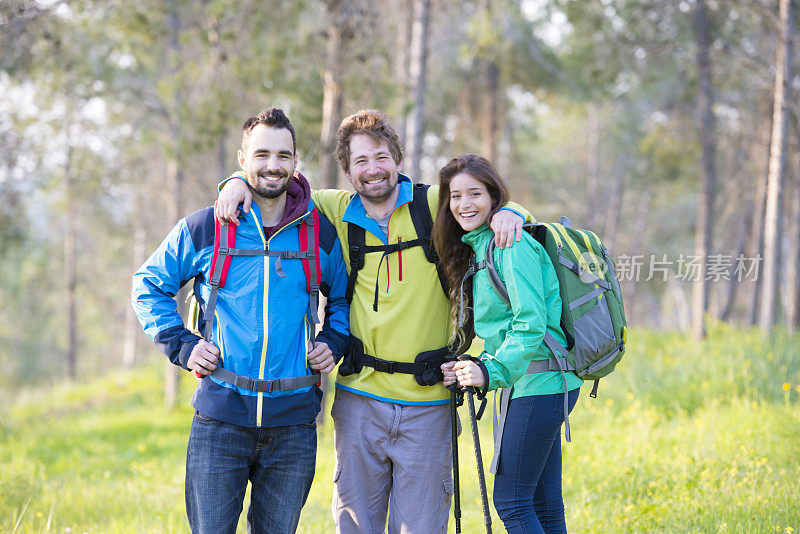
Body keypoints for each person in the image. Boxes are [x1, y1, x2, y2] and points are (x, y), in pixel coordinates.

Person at [215, 110, 530, 533]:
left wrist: (513, 213)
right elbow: (273, 184)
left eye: (381, 157)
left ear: (398, 159)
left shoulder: (434, 204)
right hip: (359, 402)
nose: (372, 170)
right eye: (360, 162)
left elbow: (484, 197)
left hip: (430, 402)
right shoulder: (332, 208)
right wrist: (232, 183)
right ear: (346, 170)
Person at [131, 107, 350, 534]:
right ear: (242, 159)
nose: (273, 165)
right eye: (262, 154)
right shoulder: (206, 227)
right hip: (220, 420)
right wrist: (182, 344)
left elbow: (342, 298)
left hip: (294, 426)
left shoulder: (318, 233)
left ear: (295, 161)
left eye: (283, 155)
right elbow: (147, 285)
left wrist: (334, 340)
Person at [436, 154, 582, 534]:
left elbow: (530, 323)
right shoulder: (484, 248)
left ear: (493, 196)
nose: (464, 204)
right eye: (455, 196)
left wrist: (490, 370)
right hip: (542, 381)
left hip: (539, 382)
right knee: (544, 505)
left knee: (513, 503)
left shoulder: (509, 245)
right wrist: (477, 362)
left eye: (475, 194)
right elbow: (506, 329)